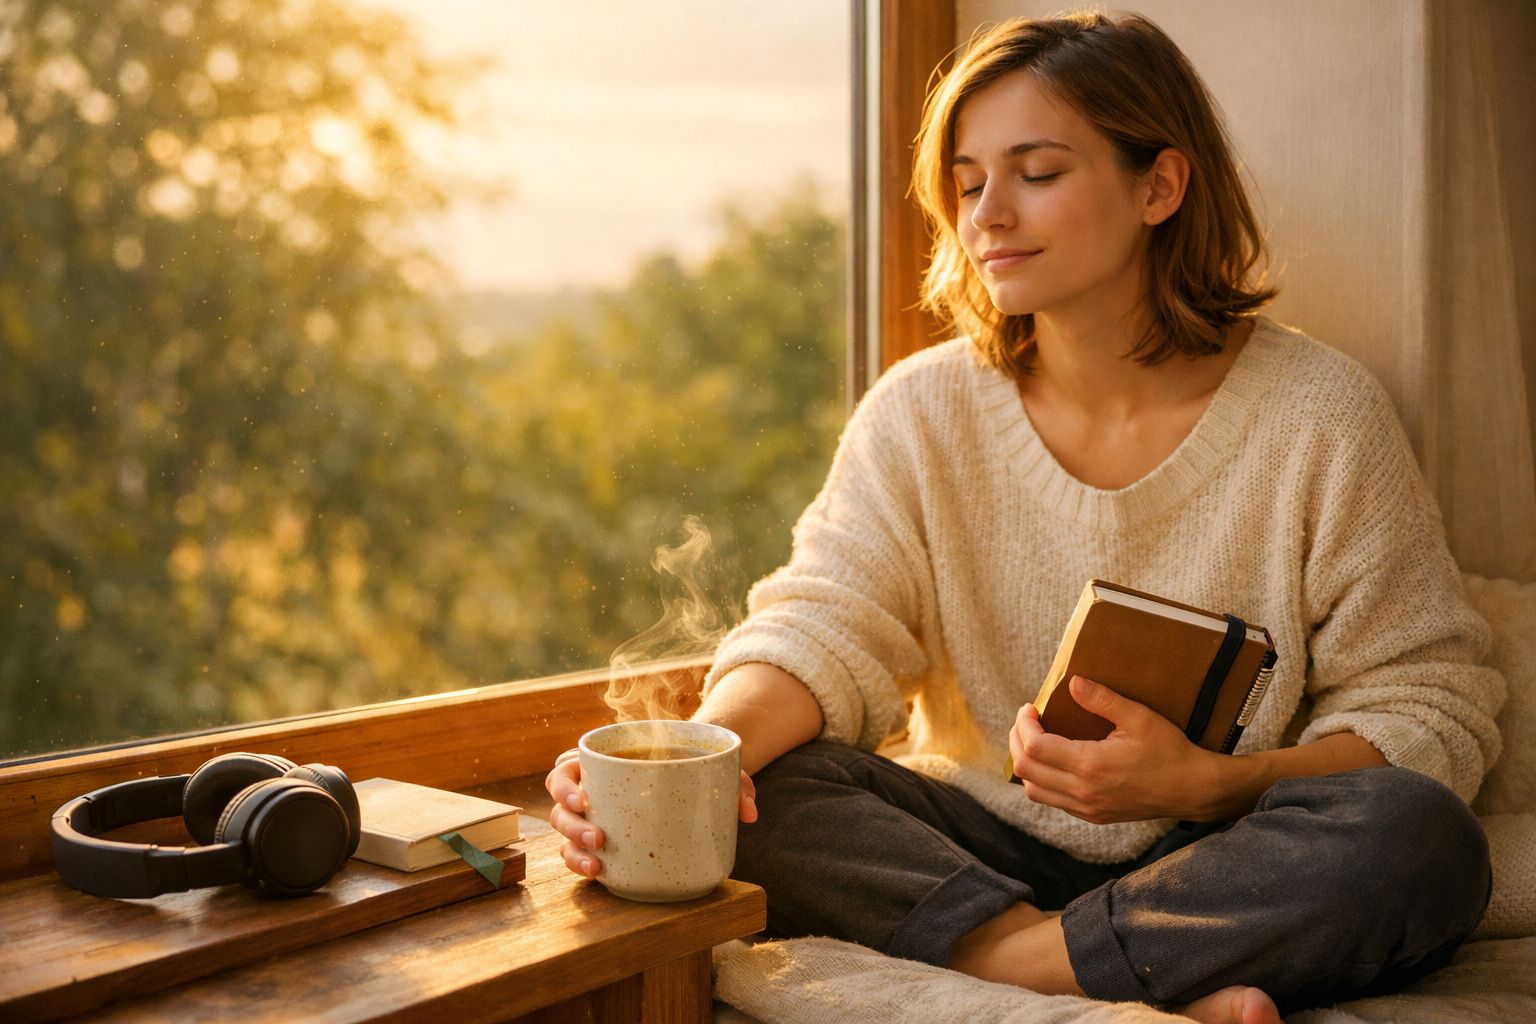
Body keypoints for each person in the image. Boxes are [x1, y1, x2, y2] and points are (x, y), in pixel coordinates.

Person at [546, 12, 1503, 1024]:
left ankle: (1036, 962)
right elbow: (820, 623)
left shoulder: (1320, 413)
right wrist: (701, 759)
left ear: (1160, 186)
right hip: (975, 848)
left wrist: (1214, 781)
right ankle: (1067, 964)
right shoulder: (921, 409)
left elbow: (1426, 699)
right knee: (769, 792)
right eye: (967, 183)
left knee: (1419, 835)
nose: (987, 214)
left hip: (1216, 854)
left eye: (1036, 172)